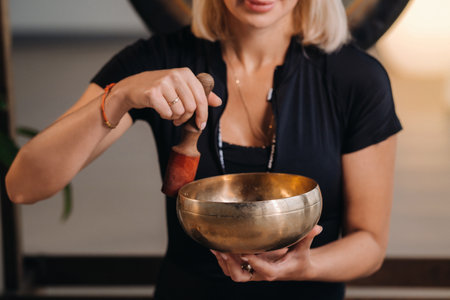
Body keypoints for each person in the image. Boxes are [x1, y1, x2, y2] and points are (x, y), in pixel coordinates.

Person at [6, 0, 402, 299]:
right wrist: (121, 95)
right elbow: (24, 185)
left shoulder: (356, 78)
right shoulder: (160, 61)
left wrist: (306, 265)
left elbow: (369, 243)